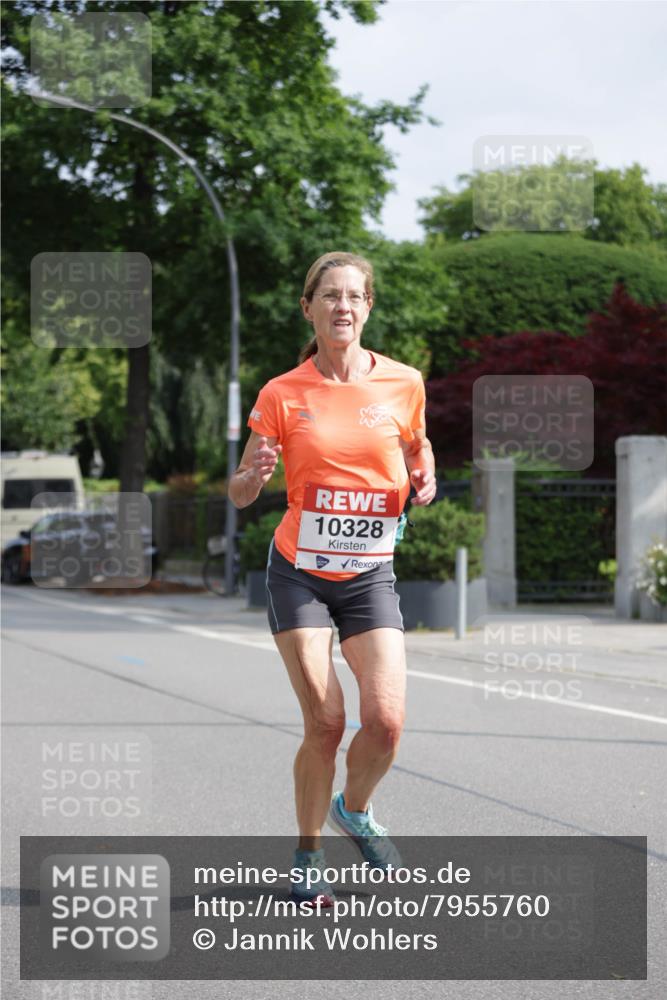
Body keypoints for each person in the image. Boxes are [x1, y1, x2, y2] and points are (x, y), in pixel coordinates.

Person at [229, 251, 436, 906]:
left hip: (369, 574)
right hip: (300, 575)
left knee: (386, 722)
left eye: (353, 296)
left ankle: (356, 809)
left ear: (367, 307)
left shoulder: (403, 382)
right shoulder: (281, 393)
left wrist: (425, 471)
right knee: (325, 721)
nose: (341, 306)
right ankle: (308, 855)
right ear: (308, 308)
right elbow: (238, 491)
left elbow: (416, 444)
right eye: (329, 296)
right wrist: (252, 476)